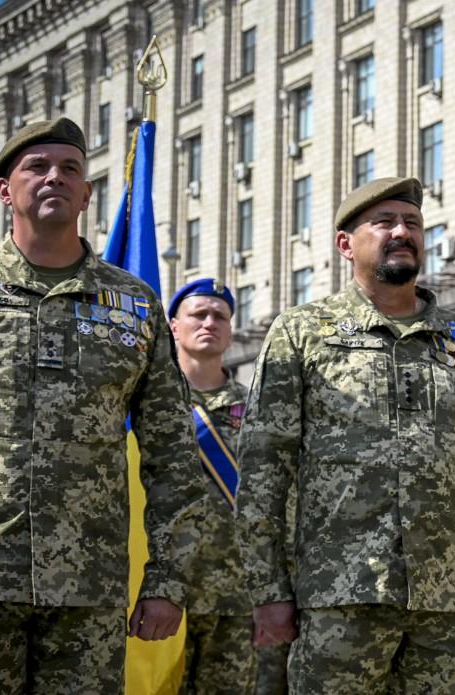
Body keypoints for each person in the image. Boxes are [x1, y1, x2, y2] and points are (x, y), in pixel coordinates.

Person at [236, 177, 455, 693]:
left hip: (450, 603)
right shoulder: (303, 333)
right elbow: (264, 467)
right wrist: (268, 588)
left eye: (412, 223)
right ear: (345, 244)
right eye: (385, 223)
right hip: (339, 596)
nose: (402, 232)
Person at [0, 118, 205, 692]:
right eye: (36, 167)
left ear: (88, 194)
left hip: (88, 590)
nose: (53, 179)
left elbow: (172, 453)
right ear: (4, 189)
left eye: (70, 169)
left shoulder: (133, 305)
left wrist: (166, 579)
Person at [168, 279, 287, 694]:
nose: (210, 323)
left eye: (220, 316)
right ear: (173, 327)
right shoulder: (150, 402)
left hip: (237, 596)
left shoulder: (257, 408)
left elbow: (276, 499)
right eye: (198, 314)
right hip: (164, 591)